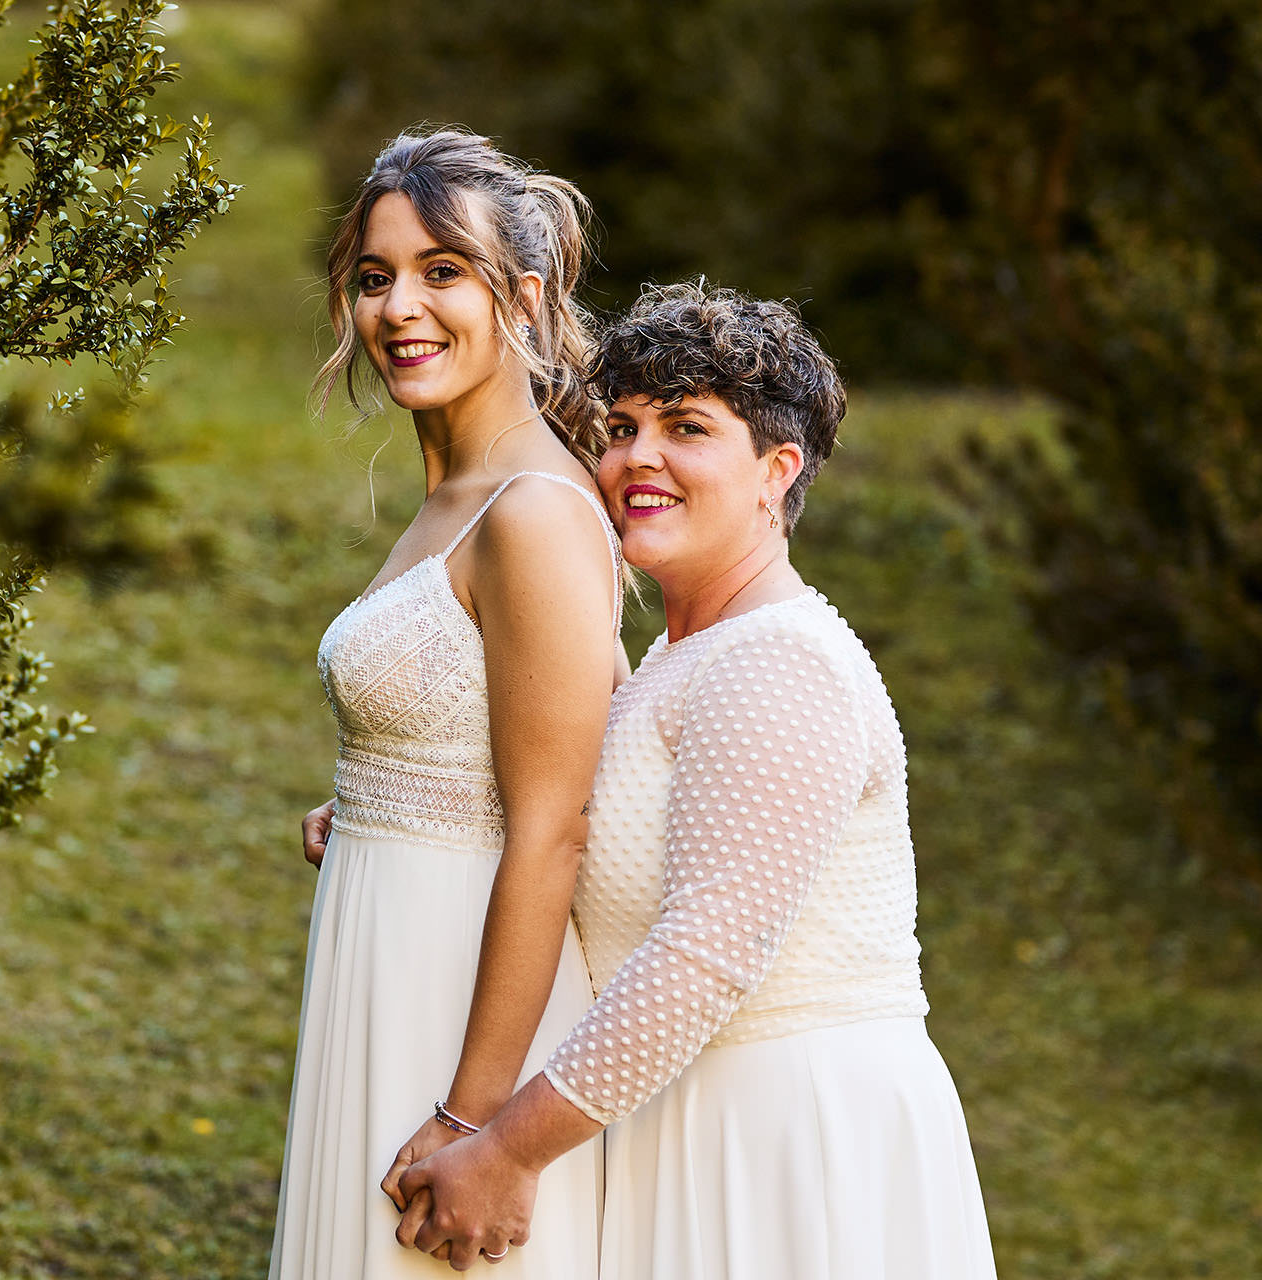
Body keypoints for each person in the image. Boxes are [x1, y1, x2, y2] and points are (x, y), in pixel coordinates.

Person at [387, 280, 1000, 1277]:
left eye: (687, 428)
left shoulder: (780, 661)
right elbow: (561, 806)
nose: (638, 457)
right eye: (621, 427)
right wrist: (390, 810)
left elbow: (703, 954)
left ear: (776, 472)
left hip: (790, 1138)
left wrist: (506, 1149)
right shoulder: (679, 661)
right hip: (680, 1120)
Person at [268, 130, 624, 1279]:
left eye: (443, 271)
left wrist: (477, 1121)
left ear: (523, 298)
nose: (399, 307)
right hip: (383, 946)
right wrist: (375, 802)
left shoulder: (532, 509)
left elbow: (556, 824)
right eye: (376, 277)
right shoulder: (455, 495)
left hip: (462, 1002)